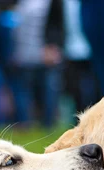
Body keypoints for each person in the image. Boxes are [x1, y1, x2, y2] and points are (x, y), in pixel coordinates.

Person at [11, 0, 63, 128]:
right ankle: (45, 123)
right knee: (45, 92)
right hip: (39, 55)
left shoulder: (23, 6)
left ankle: (30, 123)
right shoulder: (44, 4)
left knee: (32, 93)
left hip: (35, 55)